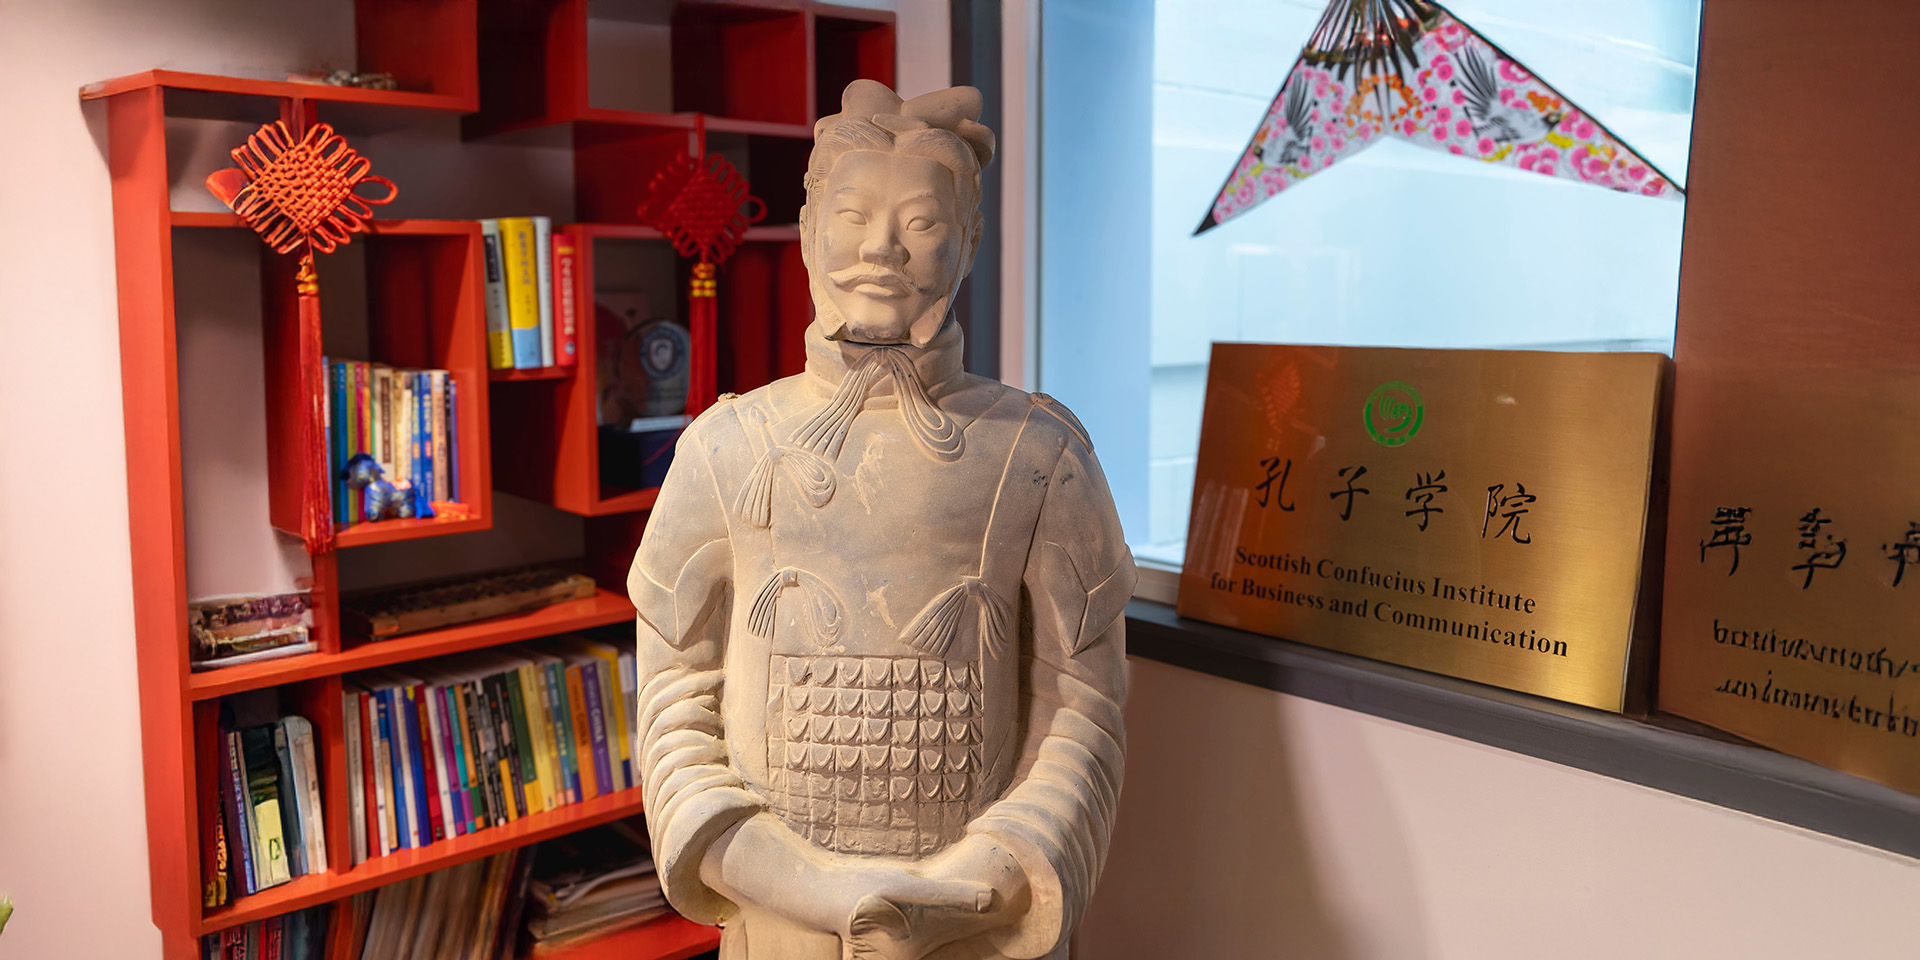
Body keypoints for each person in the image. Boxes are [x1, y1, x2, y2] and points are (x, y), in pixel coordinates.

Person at [629, 80, 1135, 960]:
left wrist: (979, 881)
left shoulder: (1039, 451)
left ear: (970, 240)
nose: (883, 250)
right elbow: (675, 700)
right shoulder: (725, 446)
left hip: (976, 925)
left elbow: (1081, 708)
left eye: (925, 223)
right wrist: (811, 888)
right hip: (779, 919)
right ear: (809, 229)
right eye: (854, 214)